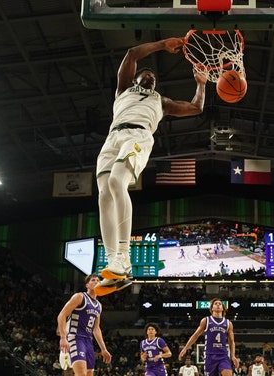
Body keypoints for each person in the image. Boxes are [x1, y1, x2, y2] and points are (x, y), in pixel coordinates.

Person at [94, 38, 207, 296]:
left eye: (153, 77)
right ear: (135, 80)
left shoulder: (162, 101)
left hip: (138, 136)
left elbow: (196, 107)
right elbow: (132, 53)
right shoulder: (123, 90)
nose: (150, 76)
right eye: (146, 74)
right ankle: (114, 264)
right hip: (112, 138)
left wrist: (201, 84)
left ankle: (123, 257)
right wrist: (162, 45)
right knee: (103, 196)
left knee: (116, 183)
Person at [57, 274, 112, 376]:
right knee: (81, 374)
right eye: (93, 280)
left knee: (89, 374)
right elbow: (62, 315)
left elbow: (96, 329)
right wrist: (63, 337)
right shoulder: (80, 297)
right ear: (87, 285)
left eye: (98, 281)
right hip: (75, 337)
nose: (96, 282)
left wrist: (103, 349)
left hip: (88, 340)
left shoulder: (99, 306)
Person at [178, 298, 240, 376]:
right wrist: (185, 348)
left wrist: (233, 356)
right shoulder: (206, 320)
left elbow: (231, 341)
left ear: (223, 308)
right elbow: (196, 335)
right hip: (210, 355)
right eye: (215, 304)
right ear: (212, 308)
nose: (218, 305)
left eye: (220, 304)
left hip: (223, 355)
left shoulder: (228, 323)